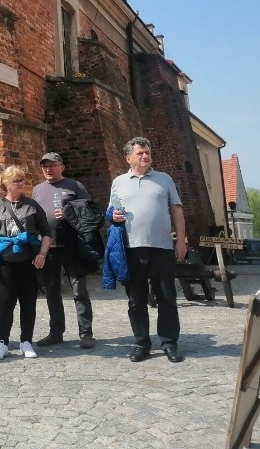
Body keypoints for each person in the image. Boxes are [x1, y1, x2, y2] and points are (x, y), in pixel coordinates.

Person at [110, 136, 187, 363]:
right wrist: (113, 216)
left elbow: (177, 212)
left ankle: (169, 342)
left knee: (167, 297)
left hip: (162, 247)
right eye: (140, 153)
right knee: (136, 299)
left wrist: (181, 241)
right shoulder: (119, 182)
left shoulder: (164, 180)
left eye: (147, 153)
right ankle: (141, 343)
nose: (145, 156)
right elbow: (111, 211)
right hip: (131, 249)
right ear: (128, 158)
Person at [0, 166, 51, 361]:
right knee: (5, 304)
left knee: (28, 303)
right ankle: (2, 343)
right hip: (5, 263)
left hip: (28, 262)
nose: (21, 183)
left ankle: (26, 341)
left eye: (22, 180)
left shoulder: (32, 205)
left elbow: (46, 232)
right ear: (5, 183)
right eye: (16, 180)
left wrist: (42, 254)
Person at [32, 152, 96, 349]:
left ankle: (86, 334)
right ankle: (56, 332)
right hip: (48, 247)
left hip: (72, 245)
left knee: (79, 290)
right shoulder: (37, 190)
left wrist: (69, 214)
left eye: (52, 165)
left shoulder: (75, 186)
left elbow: (90, 213)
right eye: (45, 166)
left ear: (62, 167)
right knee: (52, 291)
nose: (48, 169)